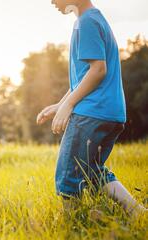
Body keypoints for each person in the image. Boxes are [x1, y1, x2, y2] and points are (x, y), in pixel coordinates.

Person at [36, 0, 145, 215]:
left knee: (68, 174)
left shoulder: (86, 22)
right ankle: (137, 212)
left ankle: (73, 226)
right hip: (110, 112)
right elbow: (85, 75)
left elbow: (98, 70)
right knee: (91, 171)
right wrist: (60, 104)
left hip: (91, 113)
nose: (52, 1)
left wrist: (69, 104)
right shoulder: (92, 19)